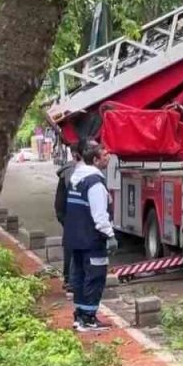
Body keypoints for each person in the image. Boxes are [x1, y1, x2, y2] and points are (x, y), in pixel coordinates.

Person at [64, 141, 118, 332]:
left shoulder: (76, 178)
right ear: (94, 160)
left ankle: (80, 315)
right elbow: (99, 215)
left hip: (76, 238)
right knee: (94, 277)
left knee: (78, 275)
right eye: (104, 155)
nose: (108, 157)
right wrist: (110, 235)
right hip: (92, 239)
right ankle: (88, 318)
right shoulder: (94, 182)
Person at [54, 143, 84, 296]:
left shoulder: (66, 172)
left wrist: (63, 218)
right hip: (74, 218)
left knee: (70, 249)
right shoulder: (73, 172)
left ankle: (69, 280)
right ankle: (72, 281)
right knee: (75, 250)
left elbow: (58, 201)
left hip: (68, 217)